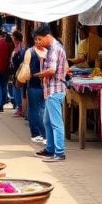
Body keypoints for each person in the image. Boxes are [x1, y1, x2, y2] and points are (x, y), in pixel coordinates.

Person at [33, 25, 68, 162]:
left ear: (48, 36)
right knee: (47, 121)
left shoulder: (54, 48)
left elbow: (52, 70)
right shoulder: (54, 48)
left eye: (40, 39)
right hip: (52, 89)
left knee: (55, 123)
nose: (38, 42)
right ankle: (50, 149)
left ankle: (59, 153)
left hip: (55, 89)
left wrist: (38, 75)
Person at [24, 40, 47, 144]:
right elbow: (26, 69)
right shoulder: (30, 52)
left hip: (46, 85)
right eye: (37, 39)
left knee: (42, 110)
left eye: (40, 39)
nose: (39, 41)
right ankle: (36, 133)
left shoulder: (48, 51)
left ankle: (42, 134)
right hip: (33, 84)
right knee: (35, 110)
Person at [9, 31, 26, 116]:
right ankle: (19, 107)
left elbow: (19, 62)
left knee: (17, 91)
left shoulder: (20, 49)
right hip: (15, 72)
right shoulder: (17, 47)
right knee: (16, 90)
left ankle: (20, 108)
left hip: (18, 73)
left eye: (13, 37)